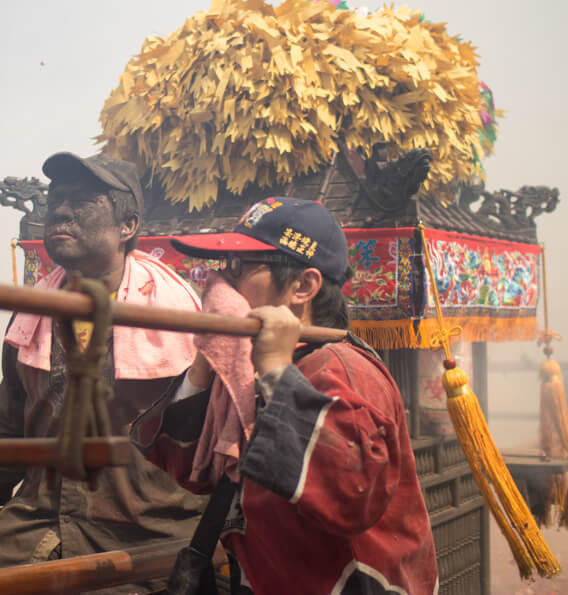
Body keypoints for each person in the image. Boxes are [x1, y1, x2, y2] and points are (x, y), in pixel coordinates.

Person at [131, 197, 439, 594]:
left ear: (304, 286)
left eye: (240, 269)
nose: (220, 285)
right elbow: (190, 468)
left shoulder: (343, 368)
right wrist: (205, 366)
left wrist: (277, 370)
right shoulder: (247, 370)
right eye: (222, 268)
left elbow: (351, 493)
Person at [0, 152, 207, 592]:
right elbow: (11, 417)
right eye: (56, 198)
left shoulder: (180, 316)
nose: (61, 210)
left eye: (83, 200)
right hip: (37, 523)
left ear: (127, 226)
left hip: (144, 530)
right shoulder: (33, 311)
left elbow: (207, 438)